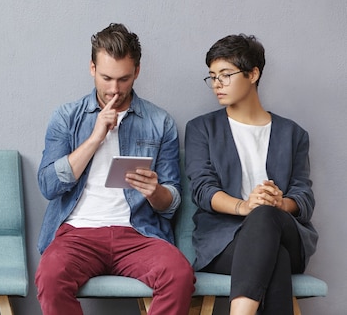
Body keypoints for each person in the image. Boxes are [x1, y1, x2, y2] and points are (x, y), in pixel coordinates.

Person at [35, 23, 194, 315]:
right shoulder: (66, 117)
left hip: (137, 233)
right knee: (50, 276)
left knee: (179, 275)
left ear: (137, 71)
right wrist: (95, 138)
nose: (114, 90)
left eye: (123, 79)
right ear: (92, 68)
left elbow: (172, 203)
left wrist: (155, 192)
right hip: (77, 233)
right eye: (106, 78)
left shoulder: (160, 122)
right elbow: (48, 185)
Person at [185, 34, 318, 315]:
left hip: (284, 231)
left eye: (225, 75)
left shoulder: (293, 134)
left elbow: (303, 194)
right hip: (224, 243)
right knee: (275, 258)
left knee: (266, 215)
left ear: (253, 73)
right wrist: (245, 206)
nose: (216, 85)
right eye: (212, 77)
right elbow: (202, 189)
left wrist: (280, 203)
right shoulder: (202, 129)